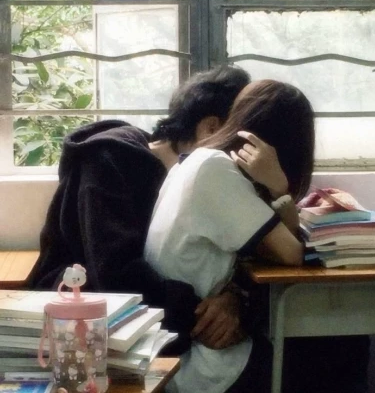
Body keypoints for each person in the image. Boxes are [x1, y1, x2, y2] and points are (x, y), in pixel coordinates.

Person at [27, 65, 251, 353]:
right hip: (83, 312)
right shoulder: (109, 160)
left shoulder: (204, 179)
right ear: (211, 128)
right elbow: (116, 277)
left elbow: (232, 255)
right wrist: (203, 315)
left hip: (159, 310)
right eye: (241, 140)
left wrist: (234, 299)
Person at [144, 79, 315, 393]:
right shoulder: (216, 170)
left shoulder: (197, 160)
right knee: (330, 347)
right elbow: (292, 254)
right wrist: (279, 187)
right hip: (200, 360)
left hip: (181, 344)